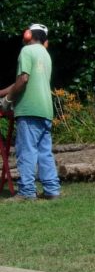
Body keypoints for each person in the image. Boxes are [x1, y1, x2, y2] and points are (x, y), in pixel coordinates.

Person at [0, 23, 61, 201]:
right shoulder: (45, 55)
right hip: (45, 110)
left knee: (26, 151)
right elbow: (22, 81)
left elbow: (23, 79)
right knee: (44, 152)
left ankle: (26, 192)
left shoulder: (26, 51)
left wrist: (7, 100)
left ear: (27, 35)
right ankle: (52, 190)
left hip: (28, 110)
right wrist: (3, 93)